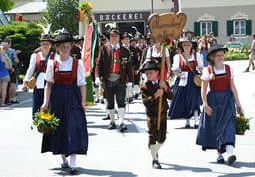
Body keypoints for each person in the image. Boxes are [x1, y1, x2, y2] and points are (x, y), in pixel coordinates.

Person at [40, 29, 88, 174]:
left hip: (73, 98)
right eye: (62, 47)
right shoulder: (51, 64)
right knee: (59, 129)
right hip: (57, 99)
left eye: (67, 47)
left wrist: (83, 102)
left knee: (73, 127)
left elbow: (82, 84)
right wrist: (45, 103)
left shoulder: (77, 64)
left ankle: (73, 163)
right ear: (57, 48)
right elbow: (48, 85)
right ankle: (64, 159)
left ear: (71, 47)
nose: (65, 49)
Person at [196, 44, 242, 165]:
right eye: (218, 55)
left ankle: (230, 153)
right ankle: (219, 154)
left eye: (222, 55)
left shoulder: (228, 68)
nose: (221, 57)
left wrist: (238, 103)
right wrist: (205, 104)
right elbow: (203, 89)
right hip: (214, 101)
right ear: (212, 57)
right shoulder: (208, 70)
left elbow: (232, 86)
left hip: (227, 100)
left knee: (228, 125)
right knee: (216, 127)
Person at [95, 28, 133, 132]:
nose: (114, 38)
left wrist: (130, 81)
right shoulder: (104, 49)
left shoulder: (125, 51)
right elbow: (99, 64)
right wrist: (97, 77)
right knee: (110, 102)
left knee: (121, 101)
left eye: (116, 36)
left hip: (120, 79)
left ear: (119, 38)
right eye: (112, 36)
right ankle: (112, 121)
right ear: (109, 37)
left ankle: (121, 122)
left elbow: (129, 67)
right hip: (108, 79)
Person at [140, 61, 173, 169]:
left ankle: (154, 151)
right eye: (147, 74)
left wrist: (166, 89)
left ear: (157, 72)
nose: (148, 75)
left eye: (151, 73)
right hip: (152, 115)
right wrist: (155, 95)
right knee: (152, 136)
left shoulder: (163, 83)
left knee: (162, 138)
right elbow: (146, 102)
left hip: (162, 113)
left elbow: (171, 96)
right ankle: (154, 159)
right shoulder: (145, 87)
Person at [168, 37, 203, 128]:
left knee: (195, 101)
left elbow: (200, 68)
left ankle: (196, 121)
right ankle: (187, 121)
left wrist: (203, 76)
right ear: (182, 46)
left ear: (192, 45)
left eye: (188, 44)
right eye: (185, 44)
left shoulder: (197, 55)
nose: (187, 46)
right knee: (184, 100)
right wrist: (179, 75)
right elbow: (175, 69)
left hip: (194, 80)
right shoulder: (177, 57)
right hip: (183, 79)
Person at [23, 34, 53, 118]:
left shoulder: (54, 56)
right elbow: (31, 69)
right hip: (38, 82)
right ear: (40, 45)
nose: (45, 46)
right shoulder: (35, 56)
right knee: (38, 102)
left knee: (49, 103)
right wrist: (26, 80)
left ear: (50, 45)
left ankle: (48, 121)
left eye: (47, 44)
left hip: (50, 82)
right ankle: (38, 120)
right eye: (43, 44)